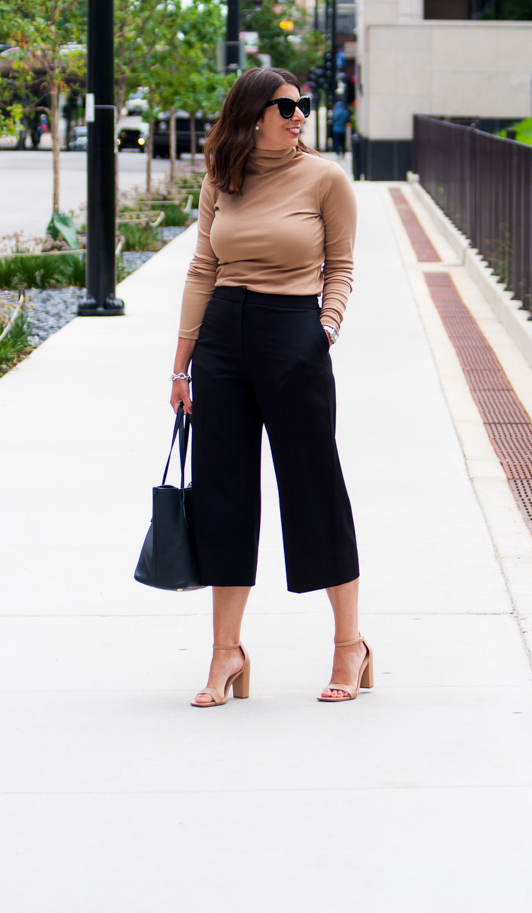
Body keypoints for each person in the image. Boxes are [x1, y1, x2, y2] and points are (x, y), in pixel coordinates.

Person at [170, 67, 372, 707]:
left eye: (303, 105)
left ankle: (350, 645)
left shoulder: (325, 178)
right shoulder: (221, 179)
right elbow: (203, 268)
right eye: (286, 106)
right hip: (222, 338)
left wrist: (325, 330)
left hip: (293, 335)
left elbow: (340, 265)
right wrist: (181, 366)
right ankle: (226, 653)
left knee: (313, 485)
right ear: (252, 113)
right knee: (222, 493)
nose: (299, 115)